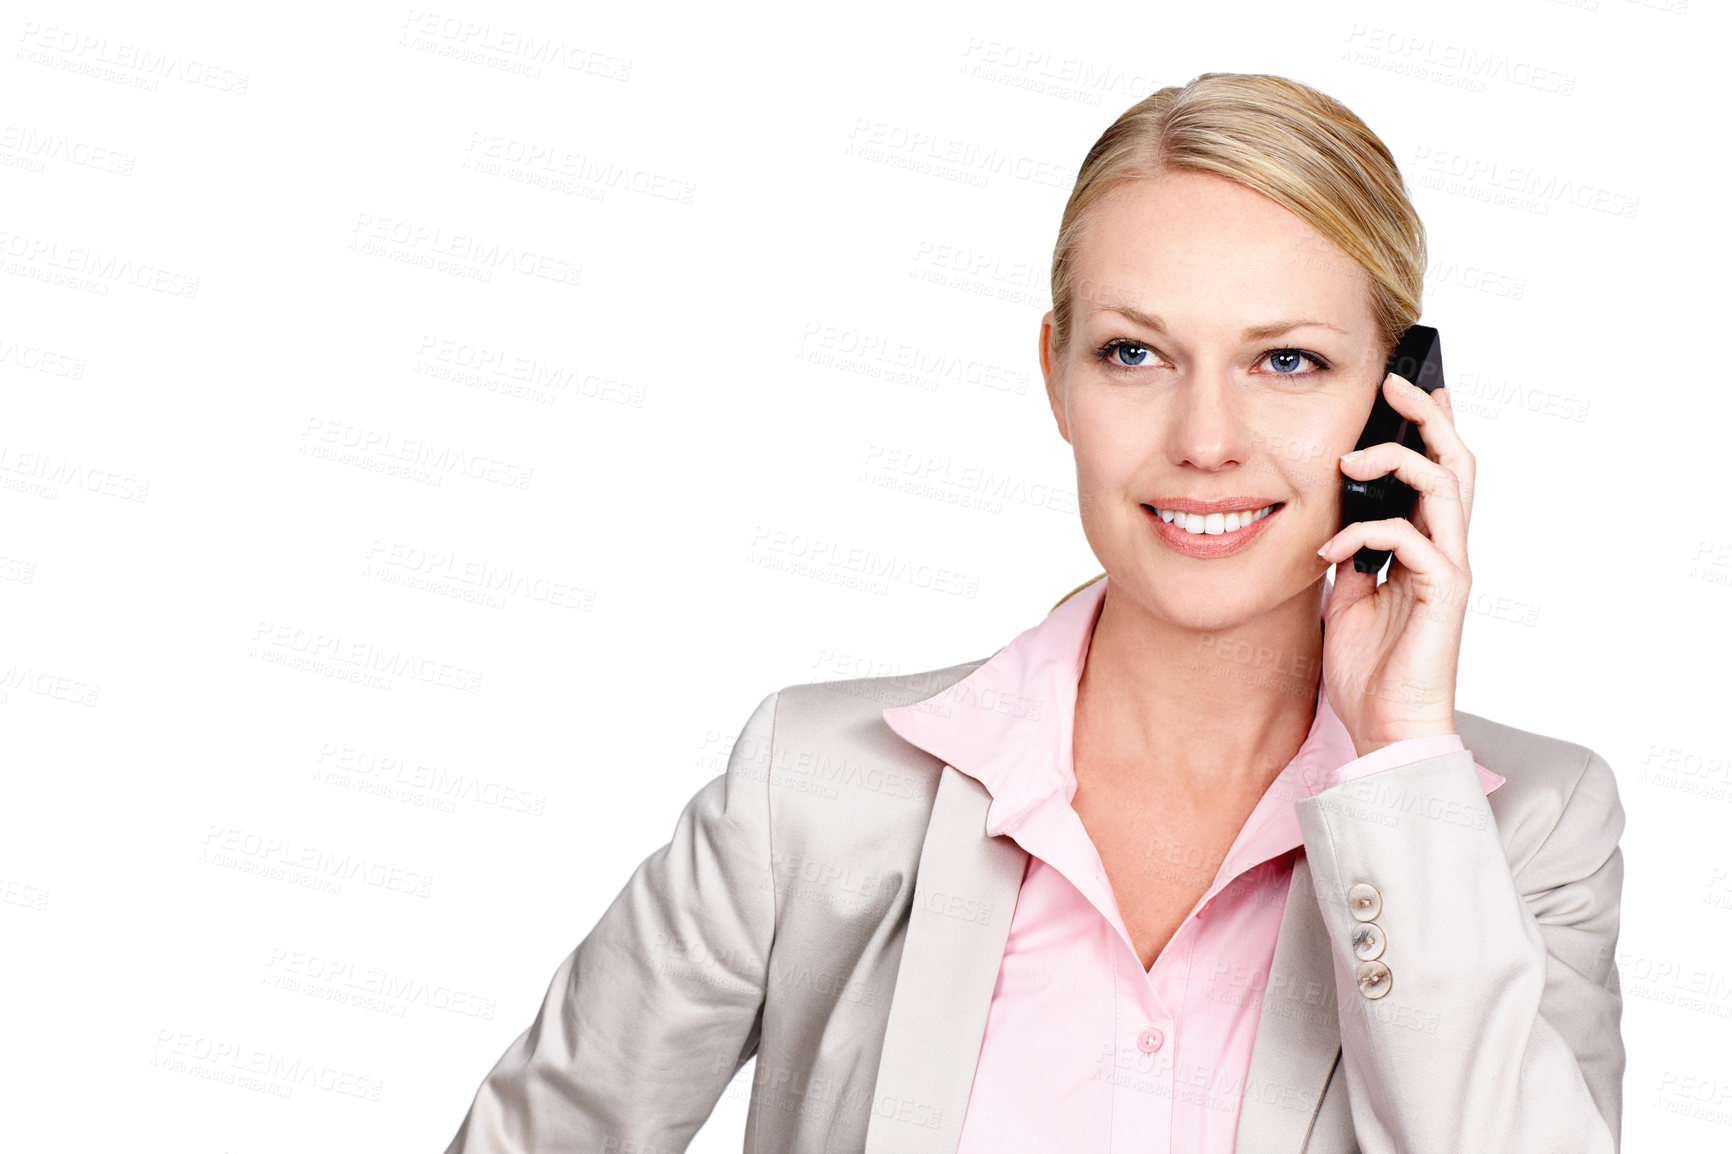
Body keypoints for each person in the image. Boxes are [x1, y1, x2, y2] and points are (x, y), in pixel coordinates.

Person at [441, 72, 1625, 1154]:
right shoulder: (811, 788)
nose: (1205, 441)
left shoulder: (1525, 834)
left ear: (1400, 403)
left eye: (1285, 363)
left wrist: (1401, 762)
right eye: (1134, 354)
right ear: (1056, 372)